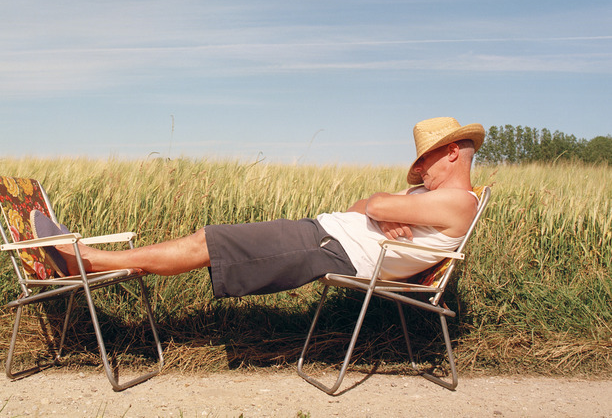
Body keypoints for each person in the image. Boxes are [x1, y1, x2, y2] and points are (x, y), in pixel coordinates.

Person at [33, 117, 485, 297]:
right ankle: (91, 262)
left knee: (212, 241)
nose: (419, 167)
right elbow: (361, 203)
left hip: (331, 249)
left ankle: (87, 262)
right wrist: (386, 214)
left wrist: (387, 209)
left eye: (425, 158)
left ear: (451, 153)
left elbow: (380, 201)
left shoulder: (458, 203)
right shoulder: (427, 198)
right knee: (209, 240)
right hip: (325, 235)